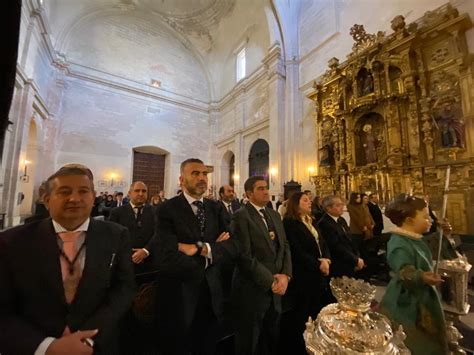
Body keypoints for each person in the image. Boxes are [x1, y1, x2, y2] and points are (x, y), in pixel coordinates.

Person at [0, 166, 135, 355]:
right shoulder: (12, 241)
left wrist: (88, 335)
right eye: (64, 192)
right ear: (46, 200)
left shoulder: (116, 235)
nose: (74, 198)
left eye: (83, 191)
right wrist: (47, 346)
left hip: (97, 344)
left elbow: (124, 288)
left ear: (93, 196)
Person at [154, 158, 240, 355]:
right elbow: (166, 256)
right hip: (180, 295)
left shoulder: (215, 208)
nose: (202, 178)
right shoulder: (166, 209)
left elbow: (233, 247)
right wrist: (212, 255)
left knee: (208, 345)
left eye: (204, 174)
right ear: (181, 180)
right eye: (195, 173)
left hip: (213, 294)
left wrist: (201, 249)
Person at [231, 176, 292, 355]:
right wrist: (272, 281)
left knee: (271, 336)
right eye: (260, 188)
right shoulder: (241, 216)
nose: (266, 191)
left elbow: (285, 245)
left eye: (266, 187)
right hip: (253, 289)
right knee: (249, 341)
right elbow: (245, 256)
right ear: (249, 194)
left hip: (277, 288)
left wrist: (285, 275)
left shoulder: (273, 214)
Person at [380, 194, 447, 354]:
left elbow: (429, 247)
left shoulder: (413, 238)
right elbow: (404, 271)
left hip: (422, 292)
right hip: (407, 299)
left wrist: (443, 233)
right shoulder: (399, 243)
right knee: (413, 341)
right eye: (425, 217)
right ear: (409, 220)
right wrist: (422, 276)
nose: (430, 220)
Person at [279, 192, 332, 355]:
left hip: (318, 273)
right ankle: (299, 346)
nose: (310, 203)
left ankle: (315, 343)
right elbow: (296, 250)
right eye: (305, 200)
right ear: (296, 204)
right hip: (303, 274)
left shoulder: (311, 221)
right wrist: (318, 264)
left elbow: (322, 242)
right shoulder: (290, 223)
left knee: (315, 309)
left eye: (310, 200)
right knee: (302, 313)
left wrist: (327, 259)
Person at [109, 181, 156, 275]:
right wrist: (128, 253)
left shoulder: (155, 212)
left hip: (150, 261)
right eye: (137, 191)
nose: (141, 194)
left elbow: (159, 233)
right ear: (129, 193)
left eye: (144, 191)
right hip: (124, 262)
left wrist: (146, 251)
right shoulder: (117, 212)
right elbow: (111, 236)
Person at [318, 195, 364, 278]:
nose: (342, 207)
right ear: (328, 208)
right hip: (338, 263)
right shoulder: (325, 223)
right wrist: (354, 259)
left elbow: (350, 240)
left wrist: (356, 257)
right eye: (338, 205)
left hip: (349, 261)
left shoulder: (341, 220)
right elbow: (336, 246)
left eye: (342, 205)